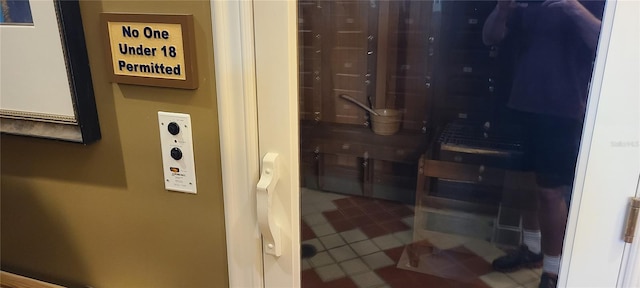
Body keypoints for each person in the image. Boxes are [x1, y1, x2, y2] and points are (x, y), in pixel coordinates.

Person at [482, 0, 605, 287]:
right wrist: (502, 10)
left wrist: (572, 6)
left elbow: (605, 41)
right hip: (516, 103)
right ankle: (533, 249)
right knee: (522, 181)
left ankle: (553, 269)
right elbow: (489, 36)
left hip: (561, 109)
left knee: (550, 193)